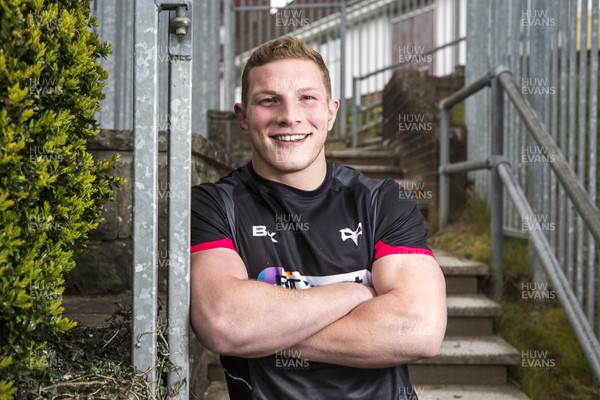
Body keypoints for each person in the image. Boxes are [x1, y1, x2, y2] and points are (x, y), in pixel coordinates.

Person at [190, 35, 446, 400]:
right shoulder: (215, 206)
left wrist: (264, 330)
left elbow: (418, 327)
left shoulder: (382, 202)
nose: (289, 116)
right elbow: (224, 323)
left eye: (307, 98)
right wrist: (356, 294)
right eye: (268, 100)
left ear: (331, 111)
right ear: (243, 117)